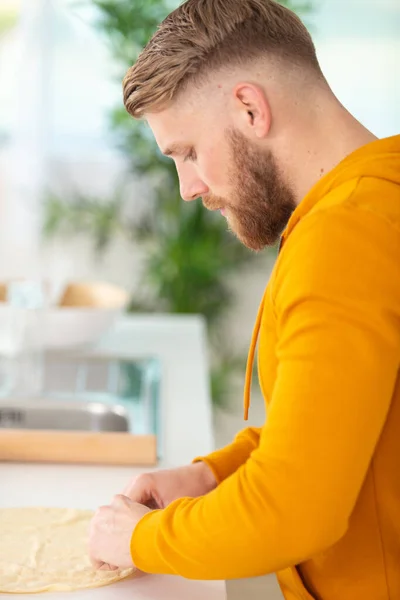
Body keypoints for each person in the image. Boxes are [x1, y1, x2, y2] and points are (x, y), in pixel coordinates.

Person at [88, 1, 400, 598]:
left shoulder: (346, 238)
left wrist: (140, 539)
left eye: (187, 153)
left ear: (250, 108)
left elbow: (292, 510)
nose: (188, 189)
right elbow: (338, 425)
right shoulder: (370, 201)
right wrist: (209, 475)